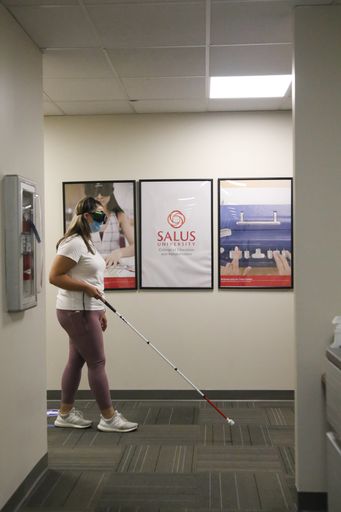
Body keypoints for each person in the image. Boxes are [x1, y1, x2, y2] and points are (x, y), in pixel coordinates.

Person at [49, 196, 138, 433]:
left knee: (76, 361)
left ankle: (65, 414)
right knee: (97, 362)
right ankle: (109, 418)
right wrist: (88, 290)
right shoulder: (74, 242)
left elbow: (91, 277)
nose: (103, 221)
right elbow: (55, 277)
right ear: (86, 216)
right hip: (77, 311)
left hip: (85, 310)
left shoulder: (87, 241)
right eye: (99, 217)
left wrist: (100, 310)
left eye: (105, 217)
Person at [84, 182, 135, 268]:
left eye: (104, 191)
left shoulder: (119, 215)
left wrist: (119, 252)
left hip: (114, 267)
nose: (99, 196)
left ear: (111, 191)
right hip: (90, 267)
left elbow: (135, 246)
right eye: (95, 192)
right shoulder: (83, 216)